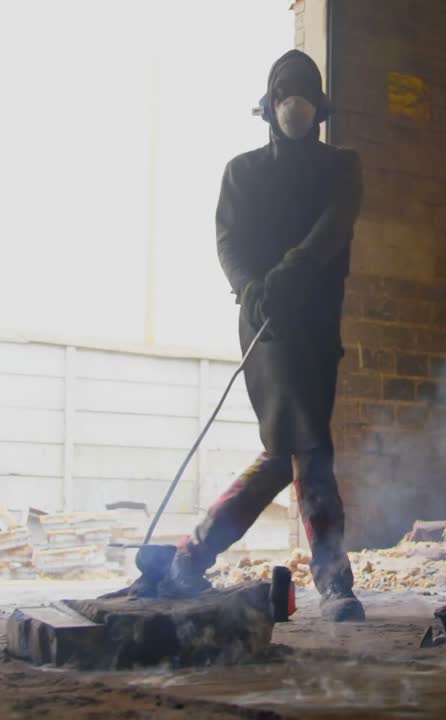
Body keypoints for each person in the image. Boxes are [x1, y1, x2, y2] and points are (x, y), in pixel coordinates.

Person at [161, 50, 364, 622]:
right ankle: (334, 584)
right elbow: (228, 241)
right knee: (308, 445)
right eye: (283, 94)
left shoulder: (342, 167)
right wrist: (252, 289)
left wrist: (292, 269)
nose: (292, 104)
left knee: (283, 456)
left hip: (317, 322)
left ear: (318, 105)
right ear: (269, 104)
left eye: (302, 92)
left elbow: (333, 227)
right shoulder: (242, 171)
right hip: (267, 326)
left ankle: (190, 557)